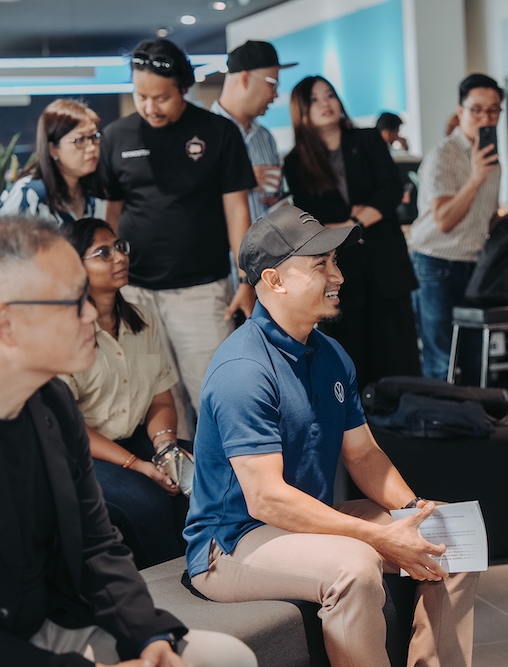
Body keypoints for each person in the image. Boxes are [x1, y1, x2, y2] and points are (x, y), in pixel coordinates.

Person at [0, 217, 257, 666]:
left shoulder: (51, 400)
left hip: (46, 618)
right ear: (7, 325)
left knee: (228, 658)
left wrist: (147, 635)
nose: (90, 314)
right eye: (73, 301)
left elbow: (94, 543)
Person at [184, 206, 478, 667]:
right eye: (320, 264)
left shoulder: (330, 354)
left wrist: (413, 511)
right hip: (233, 543)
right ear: (274, 280)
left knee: (452, 535)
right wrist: (378, 537)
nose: (337, 275)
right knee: (355, 566)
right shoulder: (243, 369)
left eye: (335, 261)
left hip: (305, 520)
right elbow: (266, 500)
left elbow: (363, 455)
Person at [100, 38, 256, 432]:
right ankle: (178, 471)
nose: (150, 107)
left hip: (201, 291)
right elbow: (111, 213)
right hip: (135, 293)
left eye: (162, 98)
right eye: (141, 96)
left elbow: (237, 209)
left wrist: (246, 279)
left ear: (184, 87)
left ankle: (229, 471)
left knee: (215, 396)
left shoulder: (218, 132)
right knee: (159, 403)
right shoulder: (117, 136)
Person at [59, 217, 188, 569]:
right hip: (81, 453)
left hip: (136, 440)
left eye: (119, 247)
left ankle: (216, 570)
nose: (119, 257)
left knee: (204, 473)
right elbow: (68, 426)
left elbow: (161, 397)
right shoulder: (64, 331)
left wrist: (166, 449)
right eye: (103, 253)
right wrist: (138, 465)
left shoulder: (142, 319)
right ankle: (166, 590)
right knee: (147, 502)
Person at [283, 75, 420, 390]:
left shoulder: (368, 140)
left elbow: (390, 189)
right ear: (302, 112)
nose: (325, 104)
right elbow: (312, 214)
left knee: (397, 355)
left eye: (329, 95)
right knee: (351, 358)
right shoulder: (296, 161)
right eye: (314, 100)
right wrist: (359, 214)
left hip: (384, 262)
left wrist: (351, 222)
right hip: (339, 270)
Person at [408, 73, 503, 380]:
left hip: (474, 264)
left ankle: (472, 410)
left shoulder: (491, 160)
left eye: (493, 110)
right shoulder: (443, 155)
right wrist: (475, 178)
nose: (485, 118)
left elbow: (483, 219)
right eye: (477, 110)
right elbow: (444, 220)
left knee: (475, 358)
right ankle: (438, 413)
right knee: (441, 361)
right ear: (460, 111)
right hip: (436, 264)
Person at [212, 40, 296, 223]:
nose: (275, 94)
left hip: (268, 240)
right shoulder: (203, 135)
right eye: (272, 84)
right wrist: (243, 179)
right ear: (245, 79)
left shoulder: (265, 137)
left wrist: (278, 201)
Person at [0, 99, 107, 226]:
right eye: (80, 140)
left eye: (94, 137)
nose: (92, 148)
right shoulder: (28, 195)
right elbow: (2, 238)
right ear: (52, 149)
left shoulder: (93, 196)